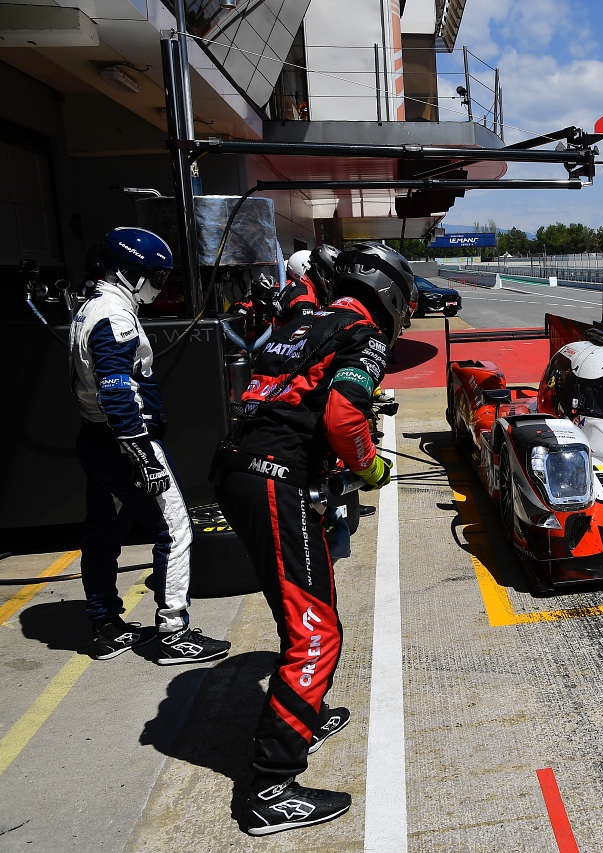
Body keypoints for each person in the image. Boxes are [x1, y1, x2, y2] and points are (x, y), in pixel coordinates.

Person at [212, 241, 415, 835]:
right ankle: (270, 788)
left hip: (239, 468)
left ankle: (305, 714)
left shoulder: (299, 319)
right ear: (390, 294)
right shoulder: (363, 333)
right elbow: (344, 419)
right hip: (275, 477)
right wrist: (369, 466)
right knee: (316, 633)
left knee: (298, 606)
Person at [70, 228, 233, 663]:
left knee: (103, 534)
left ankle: (105, 625)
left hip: (96, 440)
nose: (161, 286)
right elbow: (117, 390)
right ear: (129, 272)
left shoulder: (91, 305)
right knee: (175, 531)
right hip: (127, 443)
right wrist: (142, 454)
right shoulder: (114, 315)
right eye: (157, 277)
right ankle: (174, 634)